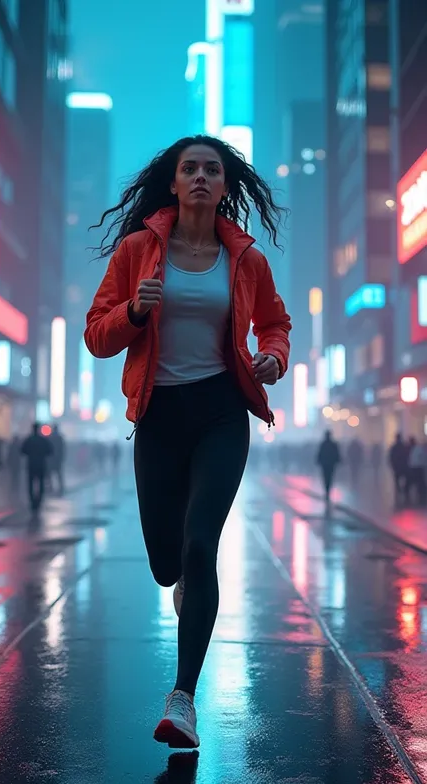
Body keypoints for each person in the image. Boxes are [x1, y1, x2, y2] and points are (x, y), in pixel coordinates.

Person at [85, 135, 291, 749]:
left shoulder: (245, 260)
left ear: (225, 186)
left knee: (201, 544)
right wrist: (135, 312)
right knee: (166, 561)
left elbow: (274, 323)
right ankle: (181, 583)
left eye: (212, 170)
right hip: (160, 416)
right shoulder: (137, 251)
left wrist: (273, 358)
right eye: (189, 169)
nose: (201, 177)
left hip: (223, 413)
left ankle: (183, 698)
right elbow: (97, 336)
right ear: (173, 184)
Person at [21, 423, 52, 512]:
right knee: (41, 483)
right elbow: (50, 451)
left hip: (31, 464)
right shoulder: (43, 440)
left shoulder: (29, 440)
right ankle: (39, 500)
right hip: (41, 464)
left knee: (30, 484)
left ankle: (32, 501)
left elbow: (22, 451)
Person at [316, 431, 341, 506]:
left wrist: (319, 461)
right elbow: (337, 454)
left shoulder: (323, 444)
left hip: (325, 464)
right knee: (330, 478)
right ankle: (328, 491)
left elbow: (320, 454)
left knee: (325, 478)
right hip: (331, 464)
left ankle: (327, 491)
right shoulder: (333, 444)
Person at [388, 433, 408, 502]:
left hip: (397, 466)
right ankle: (404, 492)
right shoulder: (404, 446)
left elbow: (391, 457)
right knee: (404, 478)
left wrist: (392, 465)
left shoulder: (394, 447)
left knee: (397, 479)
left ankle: (399, 490)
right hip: (403, 465)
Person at [49, 424, 66, 494]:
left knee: (50, 475)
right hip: (58, 460)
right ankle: (61, 488)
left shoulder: (51, 437)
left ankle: (51, 488)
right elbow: (62, 449)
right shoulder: (60, 438)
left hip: (52, 459)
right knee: (58, 475)